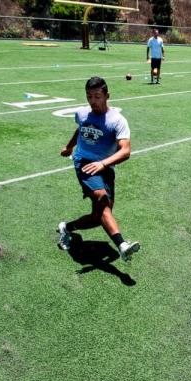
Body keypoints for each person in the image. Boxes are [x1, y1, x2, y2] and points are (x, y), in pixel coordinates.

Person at [57, 76, 140, 262]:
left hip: (105, 166)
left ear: (107, 96)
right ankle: (122, 245)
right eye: (89, 96)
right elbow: (81, 129)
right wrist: (70, 147)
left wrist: (103, 163)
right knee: (102, 199)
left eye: (97, 96)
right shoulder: (81, 113)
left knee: (99, 216)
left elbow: (126, 151)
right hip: (84, 162)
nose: (92, 101)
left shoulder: (117, 121)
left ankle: (67, 228)